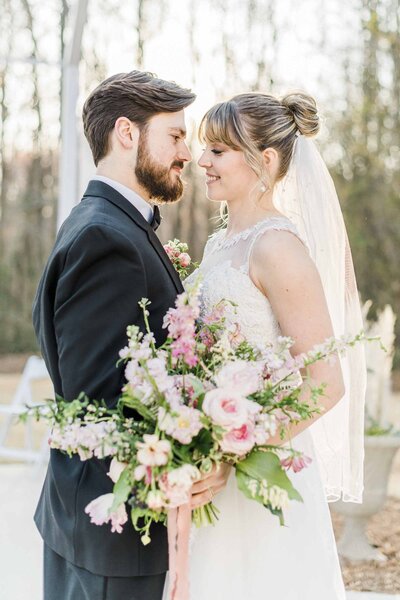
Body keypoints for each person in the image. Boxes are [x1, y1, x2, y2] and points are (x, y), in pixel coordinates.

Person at [180, 92, 366, 600]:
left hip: (260, 470)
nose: (202, 162)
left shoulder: (278, 247)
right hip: (209, 462)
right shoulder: (221, 243)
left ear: (265, 161)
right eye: (204, 149)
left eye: (218, 151)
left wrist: (237, 450)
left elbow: (326, 385)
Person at [33, 70, 200, 600]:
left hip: (94, 523)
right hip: (114, 534)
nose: (187, 153)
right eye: (175, 135)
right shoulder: (107, 237)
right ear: (127, 133)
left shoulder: (101, 222)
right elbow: (97, 403)